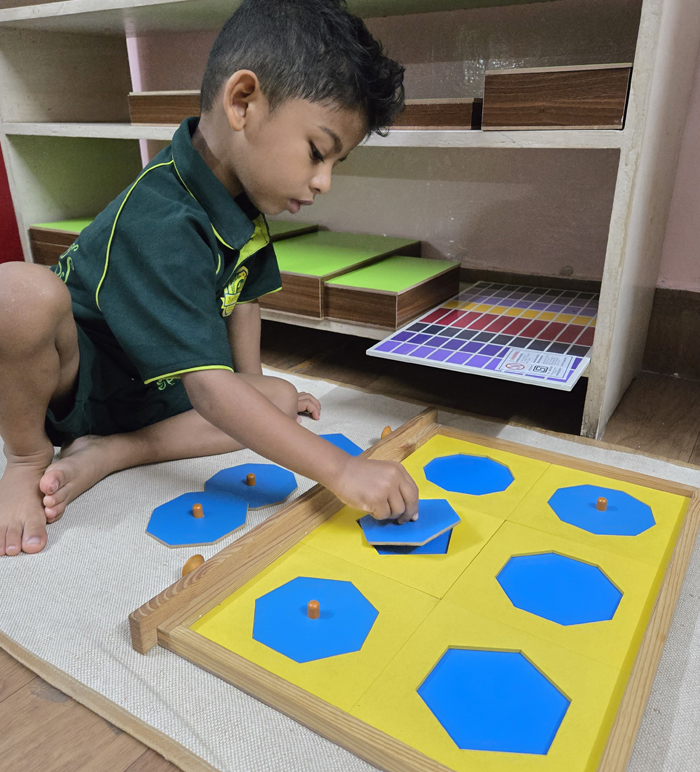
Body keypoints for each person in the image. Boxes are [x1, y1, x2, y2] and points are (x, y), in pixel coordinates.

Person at [0, 0, 420, 557]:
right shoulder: (161, 215)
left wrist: (256, 386)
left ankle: (115, 451)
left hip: (153, 389)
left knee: (274, 396)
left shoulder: (243, 202)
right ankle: (28, 457)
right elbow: (210, 391)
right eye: (318, 152)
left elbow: (243, 299)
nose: (323, 182)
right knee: (19, 293)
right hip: (80, 378)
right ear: (243, 101)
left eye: (333, 165)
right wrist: (342, 471)